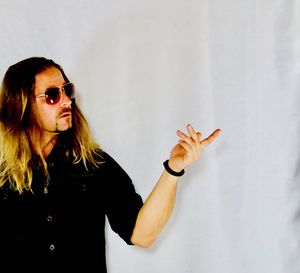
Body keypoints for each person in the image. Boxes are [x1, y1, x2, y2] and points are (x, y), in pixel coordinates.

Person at [0, 56, 221, 272]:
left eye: (67, 90)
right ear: (22, 105)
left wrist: (173, 169)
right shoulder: (2, 173)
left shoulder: (93, 164)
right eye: (52, 95)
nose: (66, 100)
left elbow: (141, 234)